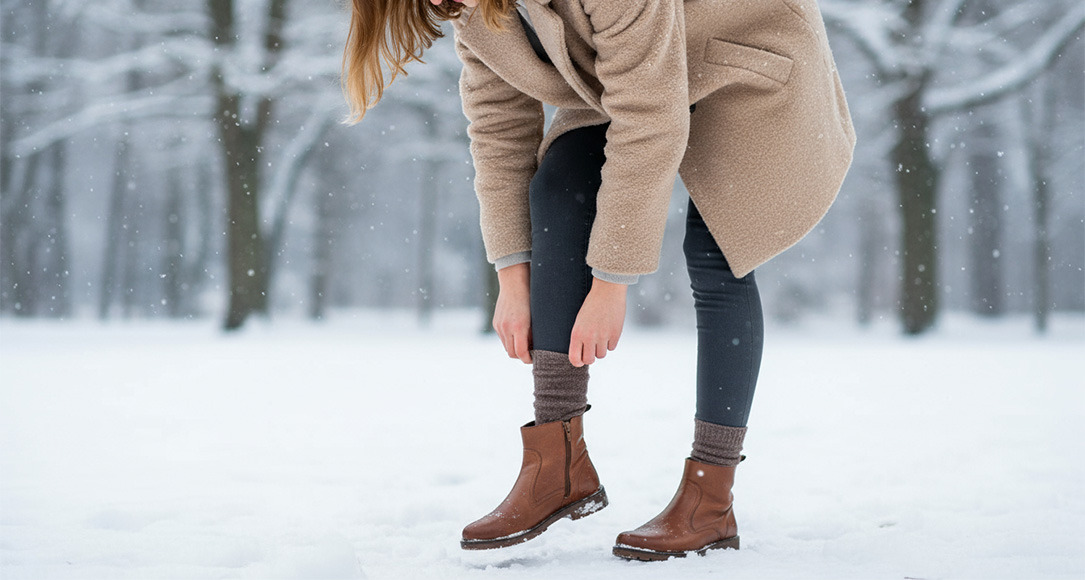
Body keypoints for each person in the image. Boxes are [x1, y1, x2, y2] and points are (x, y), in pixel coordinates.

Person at [342, 0, 854, 561]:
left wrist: (611, 283)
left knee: (716, 254)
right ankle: (558, 468)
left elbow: (650, 117)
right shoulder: (468, 7)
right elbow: (499, 128)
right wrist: (512, 279)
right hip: (632, 71)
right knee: (559, 184)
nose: (446, 6)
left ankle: (711, 499)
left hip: (750, 58)